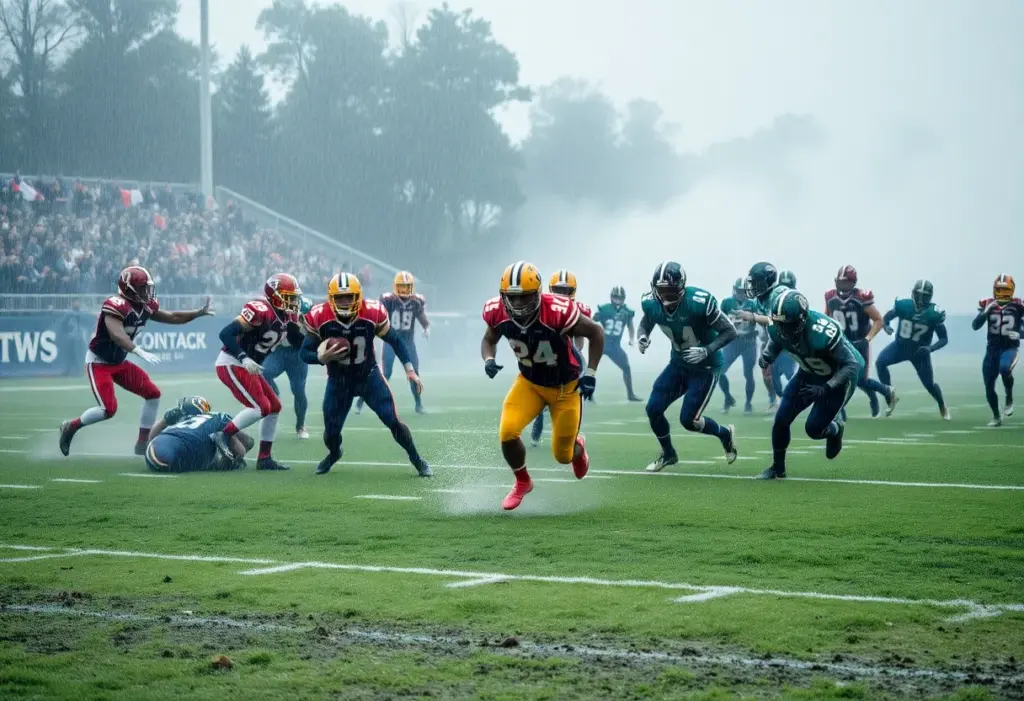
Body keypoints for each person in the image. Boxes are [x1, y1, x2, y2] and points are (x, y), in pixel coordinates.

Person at [481, 261, 605, 510]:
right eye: (512, 298)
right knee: (507, 432)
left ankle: (578, 446)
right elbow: (488, 339)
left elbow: (596, 332)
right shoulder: (496, 311)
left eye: (524, 297)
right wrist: (489, 359)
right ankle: (522, 481)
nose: (517, 304)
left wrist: (591, 373)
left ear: (538, 294)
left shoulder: (557, 311)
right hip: (529, 384)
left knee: (563, 456)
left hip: (565, 388)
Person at [59, 266, 213, 457]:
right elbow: (116, 334)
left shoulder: (145, 305)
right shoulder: (116, 304)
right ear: (129, 289)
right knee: (108, 409)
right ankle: (71, 427)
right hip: (99, 363)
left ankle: (142, 442)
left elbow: (172, 316)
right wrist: (137, 349)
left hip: (119, 362)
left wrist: (196, 313)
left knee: (153, 394)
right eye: (142, 288)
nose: (147, 292)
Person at [301, 272, 431, 477]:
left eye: (349, 297)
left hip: (368, 377)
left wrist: (409, 369)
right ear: (331, 298)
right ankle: (334, 453)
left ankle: (417, 459)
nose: (344, 302)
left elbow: (395, 340)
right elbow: (304, 352)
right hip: (338, 381)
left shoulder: (372, 311)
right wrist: (321, 358)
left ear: (358, 296)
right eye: (339, 298)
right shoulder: (320, 315)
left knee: (393, 421)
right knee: (331, 433)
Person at [637, 261, 738, 473]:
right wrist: (643, 336)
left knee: (689, 421)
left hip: (705, 368)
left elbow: (729, 331)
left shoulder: (699, 302)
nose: (666, 296)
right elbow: (646, 322)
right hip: (678, 364)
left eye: (671, 291)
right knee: (653, 409)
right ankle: (669, 454)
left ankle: (724, 434)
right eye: (661, 291)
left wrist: (707, 349)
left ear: (682, 287)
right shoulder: (650, 303)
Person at [757, 289, 864, 479]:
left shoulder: (821, 331)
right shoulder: (778, 327)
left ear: (802, 319)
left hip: (837, 379)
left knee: (813, 429)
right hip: (807, 374)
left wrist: (827, 387)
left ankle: (835, 429)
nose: (783, 329)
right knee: (781, 419)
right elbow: (777, 340)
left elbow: (851, 364)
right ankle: (777, 468)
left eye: (788, 325)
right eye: (779, 324)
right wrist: (768, 356)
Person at [210, 273, 303, 471]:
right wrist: (243, 356)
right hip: (232, 362)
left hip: (249, 366)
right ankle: (223, 435)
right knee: (260, 407)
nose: (294, 301)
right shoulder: (261, 310)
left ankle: (264, 458)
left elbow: (298, 342)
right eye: (289, 296)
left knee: (274, 406)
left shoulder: (287, 317)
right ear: (276, 295)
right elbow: (225, 333)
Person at [530, 269, 591, 447]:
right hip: (545, 356)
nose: (562, 294)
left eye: (566, 290)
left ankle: (570, 434)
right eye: (558, 290)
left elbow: (580, 340)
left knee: (572, 394)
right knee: (539, 394)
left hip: (567, 359)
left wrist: (573, 352)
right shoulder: (542, 308)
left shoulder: (580, 310)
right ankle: (538, 424)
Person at [824, 265, 895, 418]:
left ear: (853, 282)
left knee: (860, 381)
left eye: (846, 282)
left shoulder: (861, 297)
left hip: (858, 343)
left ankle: (883, 392)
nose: (843, 286)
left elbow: (878, 320)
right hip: (840, 343)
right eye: (840, 282)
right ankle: (839, 413)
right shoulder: (830, 296)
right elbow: (827, 318)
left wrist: (867, 339)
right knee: (835, 378)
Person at [356, 271, 429, 414]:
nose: (404, 290)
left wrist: (426, 329)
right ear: (396, 286)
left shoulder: (416, 301)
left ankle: (418, 405)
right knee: (386, 373)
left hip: (408, 343)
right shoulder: (388, 300)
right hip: (391, 340)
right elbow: (378, 317)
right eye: (401, 286)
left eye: (407, 286)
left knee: (414, 373)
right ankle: (361, 400)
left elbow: (423, 320)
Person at [877, 280, 950, 420]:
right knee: (880, 362)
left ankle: (942, 405)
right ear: (913, 293)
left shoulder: (933, 314)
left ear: (930, 296)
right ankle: (890, 395)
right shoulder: (903, 306)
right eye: (918, 295)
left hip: (919, 352)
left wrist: (930, 348)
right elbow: (886, 318)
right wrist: (886, 327)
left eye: (924, 296)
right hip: (900, 347)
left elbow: (944, 339)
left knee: (929, 384)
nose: (921, 299)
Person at [972, 274, 1023, 426]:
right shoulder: (988, 304)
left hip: (1009, 348)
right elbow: (975, 326)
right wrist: (984, 312)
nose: (1002, 293)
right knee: (988, 384)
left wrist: (1020, 334)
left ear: (1012, 290)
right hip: (992, 350)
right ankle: (996, 416)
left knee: (1005, 368)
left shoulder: (1018, 305)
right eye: (999, 290)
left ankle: (1009, 397)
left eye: (1005, 290)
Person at [263, 296, 314, 439]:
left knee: (298, 390)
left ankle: (300, 425)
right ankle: (275, 398)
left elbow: (301, 341)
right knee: (263, 373)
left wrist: (297, 327)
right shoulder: (281, 310)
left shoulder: (309, 320)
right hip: (280, 352)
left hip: (297, 355)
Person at [593, 286, 642, 402]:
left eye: (620, 298)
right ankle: (588, 394)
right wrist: (597, 316)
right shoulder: (605, 309)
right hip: (601, 344)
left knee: (626, 367)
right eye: (616, 298)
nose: (618, 300)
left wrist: (631, 338)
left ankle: (630, 394)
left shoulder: (627, 312)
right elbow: (592, 321)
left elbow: (630, 326)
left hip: (615, 346)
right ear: (611, 298)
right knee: (591, 368)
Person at [719, 277, 760, 414]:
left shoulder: (754, 304)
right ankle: (727, 398)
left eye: (742, 291)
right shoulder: (726, 303)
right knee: (720, 371)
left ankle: (748, 403)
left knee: (748, 374)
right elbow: (719, 320)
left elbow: (761, 320)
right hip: (732, 342)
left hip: (749, 342)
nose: (740, 293)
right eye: (738, 290)